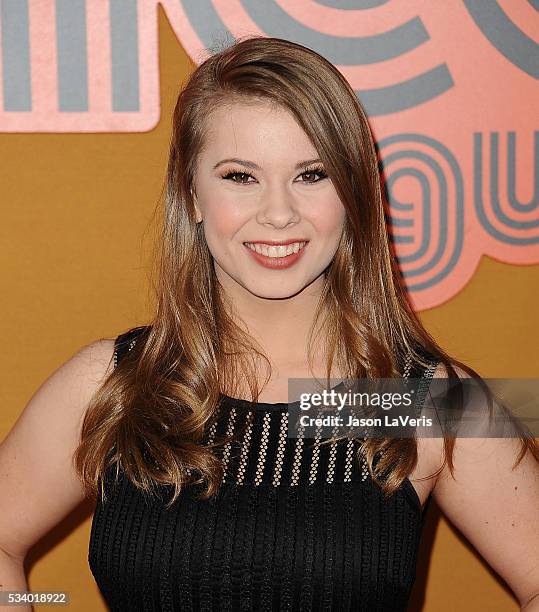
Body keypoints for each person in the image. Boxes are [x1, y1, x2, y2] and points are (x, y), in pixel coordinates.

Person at [0, 36, 537, 612]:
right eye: (240, 176)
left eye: (312, 174)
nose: (278, 213)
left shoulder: (425, 400)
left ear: (353, 193)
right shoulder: (114, 383)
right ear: (192, 193)